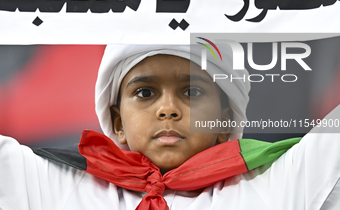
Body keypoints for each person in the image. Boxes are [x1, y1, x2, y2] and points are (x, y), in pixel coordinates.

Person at [0, 44, 340, 210]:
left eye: (191, 91)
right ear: (117, 121)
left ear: (225, 120)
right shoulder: (54, 186)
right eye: (145, 93)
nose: (167, 109)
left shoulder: (275, 187)